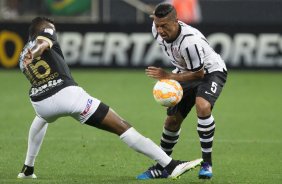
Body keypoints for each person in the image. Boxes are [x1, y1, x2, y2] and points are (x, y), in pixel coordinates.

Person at [16, 17, 203, 180]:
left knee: (40, 120)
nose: (53, 31)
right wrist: (38, 48)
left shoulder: (22, 54)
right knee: (121, 126)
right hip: (68, 95)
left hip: (41, 103)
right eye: (51, 28)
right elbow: (43, 42)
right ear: (40, 29)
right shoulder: (43, 34)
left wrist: (32, 53)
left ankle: (27, 168)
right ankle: (169, 165)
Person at [137, 3, 227, 180]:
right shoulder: (156, 29)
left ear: (176, 22)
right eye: (157, 25)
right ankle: (163, 166)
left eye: (165, 26)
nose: (160, 30)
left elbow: (199, 74)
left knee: (202, 106)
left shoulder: (189, 42)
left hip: (210, 72)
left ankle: (207, 163)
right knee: (171, 121)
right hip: (185, 71)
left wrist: (167, 75)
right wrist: (157, 19)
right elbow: (189, 72)